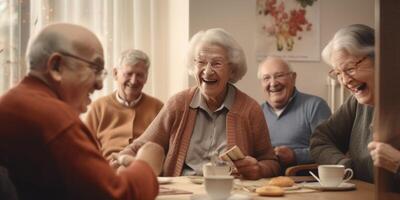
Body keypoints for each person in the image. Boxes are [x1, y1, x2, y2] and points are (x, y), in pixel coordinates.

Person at [0, 23, 162, 199]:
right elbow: (117, 196)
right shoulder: (53, 119)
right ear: (56, 67)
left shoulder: (13, 102)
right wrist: (146, 164)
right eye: (95, 68)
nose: (100, 84)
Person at [114, 28, 280, 180]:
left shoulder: (249, 109)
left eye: (216, 63)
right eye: (200, 62)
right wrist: (121, 161)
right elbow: (138, 147)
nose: (207, 71)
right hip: (183, 193)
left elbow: (271, 162)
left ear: (232, 70)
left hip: (229, 194)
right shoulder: (178, 104)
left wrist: (259, 169)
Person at [310, 24, 382, 183]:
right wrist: (344, 166)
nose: (345, 81)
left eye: (349, 68)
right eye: (338, 74)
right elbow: (320, 140)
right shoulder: (357, 103)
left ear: (379, 58)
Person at [85, 49, 163, 161]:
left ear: (146, 78)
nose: (133, 80)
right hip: (107, 167)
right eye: (129, 74)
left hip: (143, 167)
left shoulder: (158, 108)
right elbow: (86, 147)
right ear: (116, 74)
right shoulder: (98, 107)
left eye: (140, 75)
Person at [257, 56, 331, 169]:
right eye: (266, 78)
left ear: (293, 78)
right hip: (264, 178)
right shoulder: (257, 112)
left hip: (304, 181)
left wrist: (295, 156)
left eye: (279, 76)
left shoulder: (315, 106)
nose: (273, 83)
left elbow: (329, 150)